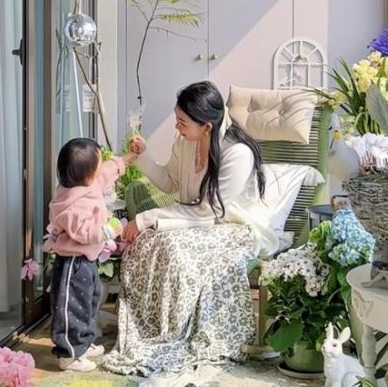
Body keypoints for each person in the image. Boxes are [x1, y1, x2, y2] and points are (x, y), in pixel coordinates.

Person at [104, 81, 278, 387]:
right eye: (177, 118)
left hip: (234, 227)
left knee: (172, 248)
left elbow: (210, 211)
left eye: (182, 122)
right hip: (196, 220)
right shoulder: (185, 140)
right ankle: (154, 329)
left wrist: (147, 218)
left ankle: (176, 332)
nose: (177, 126)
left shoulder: (238, 153)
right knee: (149, 242)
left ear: (207, 126)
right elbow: (170, 182)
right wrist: (143, 156)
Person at [45, 138, 136, 373]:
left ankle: (83, 344)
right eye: (98, 163)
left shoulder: (88, 184)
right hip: (72, 263)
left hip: (87, 260)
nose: (101, 167)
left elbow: (107, 172)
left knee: (90, 300)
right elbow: (84, 232)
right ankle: (69, 353)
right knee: (72, 306)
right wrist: (107, 231)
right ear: (87, 174)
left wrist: (128, 157)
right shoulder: (71, 203)